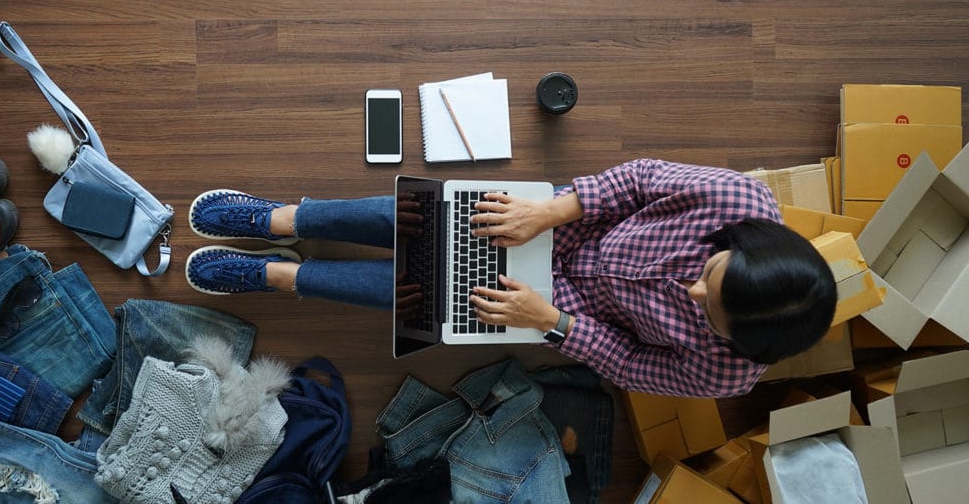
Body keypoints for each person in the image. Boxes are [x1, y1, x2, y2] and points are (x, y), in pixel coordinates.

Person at [185, 159, 837, 397]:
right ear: (744, 243)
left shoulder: (728, 373)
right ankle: (280, 217)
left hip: (557, 306)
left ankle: (277, 275)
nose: (695, 294)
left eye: (710, 314)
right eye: (710, 274)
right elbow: (638, 179)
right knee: (420, 218)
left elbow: (636, 366)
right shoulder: (741, 202)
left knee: (423, 298)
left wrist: (552, 322)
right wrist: (545, 211)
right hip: (558, 222)